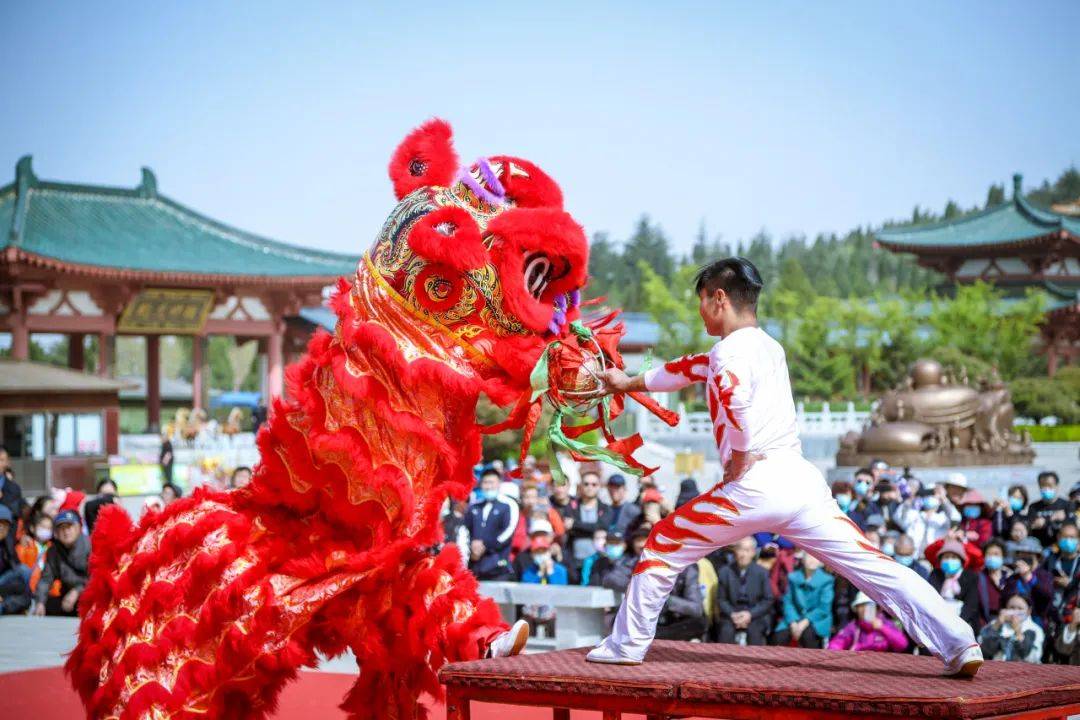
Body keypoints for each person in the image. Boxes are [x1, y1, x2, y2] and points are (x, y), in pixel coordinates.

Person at [585, 257, 982, 675]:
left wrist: (737, 460)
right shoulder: (767, 347)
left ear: (719, 299)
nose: (700, 311)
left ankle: (626, 645)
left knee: (663, 543)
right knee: (874, 566)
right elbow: (686, 369)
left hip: (755, 485)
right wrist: (626, 381)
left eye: (702, 301)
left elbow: (733, 401)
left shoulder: (728, 353)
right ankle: (958, 642)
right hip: (801, 483)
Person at [602, 526, 705, 641]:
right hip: (642, 618)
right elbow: (610, 578)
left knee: (698, 623)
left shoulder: (687, 569)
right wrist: (640, 587)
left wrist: (663, 599)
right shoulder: (636, 562)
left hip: (673, 620)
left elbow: (696, 608)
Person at [713, 537, 773, 645]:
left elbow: (767, 600)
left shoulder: (762, 573)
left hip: (754, 613)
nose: (743, 554)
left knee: (754, 633)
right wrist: (732, 614)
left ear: (753, 553)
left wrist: (750, 614)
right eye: (740, 549)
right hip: (732, 612)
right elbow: (721, 599)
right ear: (735, 551)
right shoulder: (725, 572)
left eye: (747, 550)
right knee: (726, 632)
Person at [32, 510, 90, 616]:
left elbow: (98, 578)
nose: (66, 531)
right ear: (56, 532)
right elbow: (46, 579)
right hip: (67, 598)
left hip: (90, 596)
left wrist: (77, 591)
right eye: (61, 528)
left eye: (69, 527)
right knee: (46, 604)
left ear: (78, 528)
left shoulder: (90, 546)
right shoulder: (53, 551)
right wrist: (40, 602)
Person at [463, 469, 517, 581]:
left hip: (497, 567)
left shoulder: (507, 506)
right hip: (475, 565)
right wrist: (471, 546)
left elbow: (508, 532)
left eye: (492, 482)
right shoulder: (474, 507)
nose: (488, 486)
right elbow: (465, 530)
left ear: (499, 484)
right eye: (485, 482)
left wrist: (485, 545)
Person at [772, 552, 833, 648]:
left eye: (816, 557)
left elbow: (823, 608)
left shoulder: (827, 580)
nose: (812, 559)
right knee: (779, 636)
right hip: (795, 617)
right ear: (803, 559)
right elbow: (788, 602)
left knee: (808, 636)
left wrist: (804, 622)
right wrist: (793, 622)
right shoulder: (792, 577)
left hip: (816, 620)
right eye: (809, 556)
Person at [828, 592, 909, 653]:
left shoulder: (887, 624)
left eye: (868, 605)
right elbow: (837, 643)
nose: (863, 610)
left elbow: (902, 645)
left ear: (877, 608)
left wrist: (882, 628)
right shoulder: (853, 627)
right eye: (860, 606)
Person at [928, 539, 981, 633]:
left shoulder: (970, 577)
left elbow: (971, 605)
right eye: (946, 557)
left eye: (953, 557)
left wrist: (958, 624)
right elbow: (930, 598)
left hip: (961, 623)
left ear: (961, 560)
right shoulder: (936, 574)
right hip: (938, 620)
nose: (949, 560)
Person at [567, 471, 613, 575]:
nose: (590, 487)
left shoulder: (605, 508)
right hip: (574, 562)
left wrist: (575, 525)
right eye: (586, 484)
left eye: (594, 484)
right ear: (581, 486)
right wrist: (593, 529)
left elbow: (602, 527)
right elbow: (567, 528)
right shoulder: (572, 506)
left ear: (599, 487)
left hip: (598, 561)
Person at [979, 591, 1043, 663]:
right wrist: (996, 626)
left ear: (1029, 611)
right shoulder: (995, 624)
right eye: (1012, 608)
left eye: (1020, 608)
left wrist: (1018, 633)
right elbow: (984, 650)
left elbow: (1030, 657)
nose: (1015, 611)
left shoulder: (1034, 629)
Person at [895, 485, 959, 557]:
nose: (930, 497)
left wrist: (943, 499)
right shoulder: (914, 515)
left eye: (933, 495)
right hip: (913, 557)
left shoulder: (942, 518)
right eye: (928, 494)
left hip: (934, 558)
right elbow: (898, 517)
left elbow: (956, 518)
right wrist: (912, 497)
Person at [0, 504, 32, 614]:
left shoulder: (7, 541)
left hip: (3, 580)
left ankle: (5, 606)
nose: (1, 527)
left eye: (5, 524)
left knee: (24, 572)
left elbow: (15, 565)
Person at [1028, 472, 1070, 547]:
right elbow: (1030, 526)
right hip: (1040, 547)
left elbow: (1073, 525)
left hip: (1062, 547)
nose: (1046, 489)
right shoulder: (1033, 507)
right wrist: (1050, 519)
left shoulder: (1067, 505)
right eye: (1043, 486)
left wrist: (1065, 519)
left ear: (1057, 486)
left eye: (1050, 485)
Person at [979, 539, 1010, 627]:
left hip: (1007, 623)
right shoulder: (979, 577)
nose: (992, 557)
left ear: (1003, 557)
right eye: (989, 554)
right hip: (985, 623)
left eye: (996, 554)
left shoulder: (1010, 577)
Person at [0, 452, 24, 521]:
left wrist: (2, 499)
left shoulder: (14, 489)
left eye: (1, 460)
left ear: (7, 463)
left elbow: (15, 514)